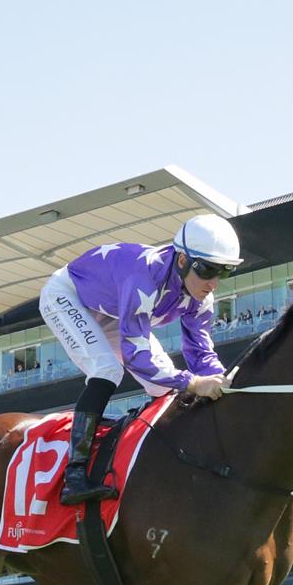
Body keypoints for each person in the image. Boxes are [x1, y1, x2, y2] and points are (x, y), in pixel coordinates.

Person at [38, 214, 241, 504]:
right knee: (107, 370)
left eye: (224, 272)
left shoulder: (201, 297)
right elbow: (136, 357)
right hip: (68, 296)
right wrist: (194, 382)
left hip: (113, 309)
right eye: (207, 270)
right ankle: (75, 476)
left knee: (165, 388)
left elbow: (200, 353)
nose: (213, 283)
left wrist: (222, 381)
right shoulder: (144, 278)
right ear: (182, 260)